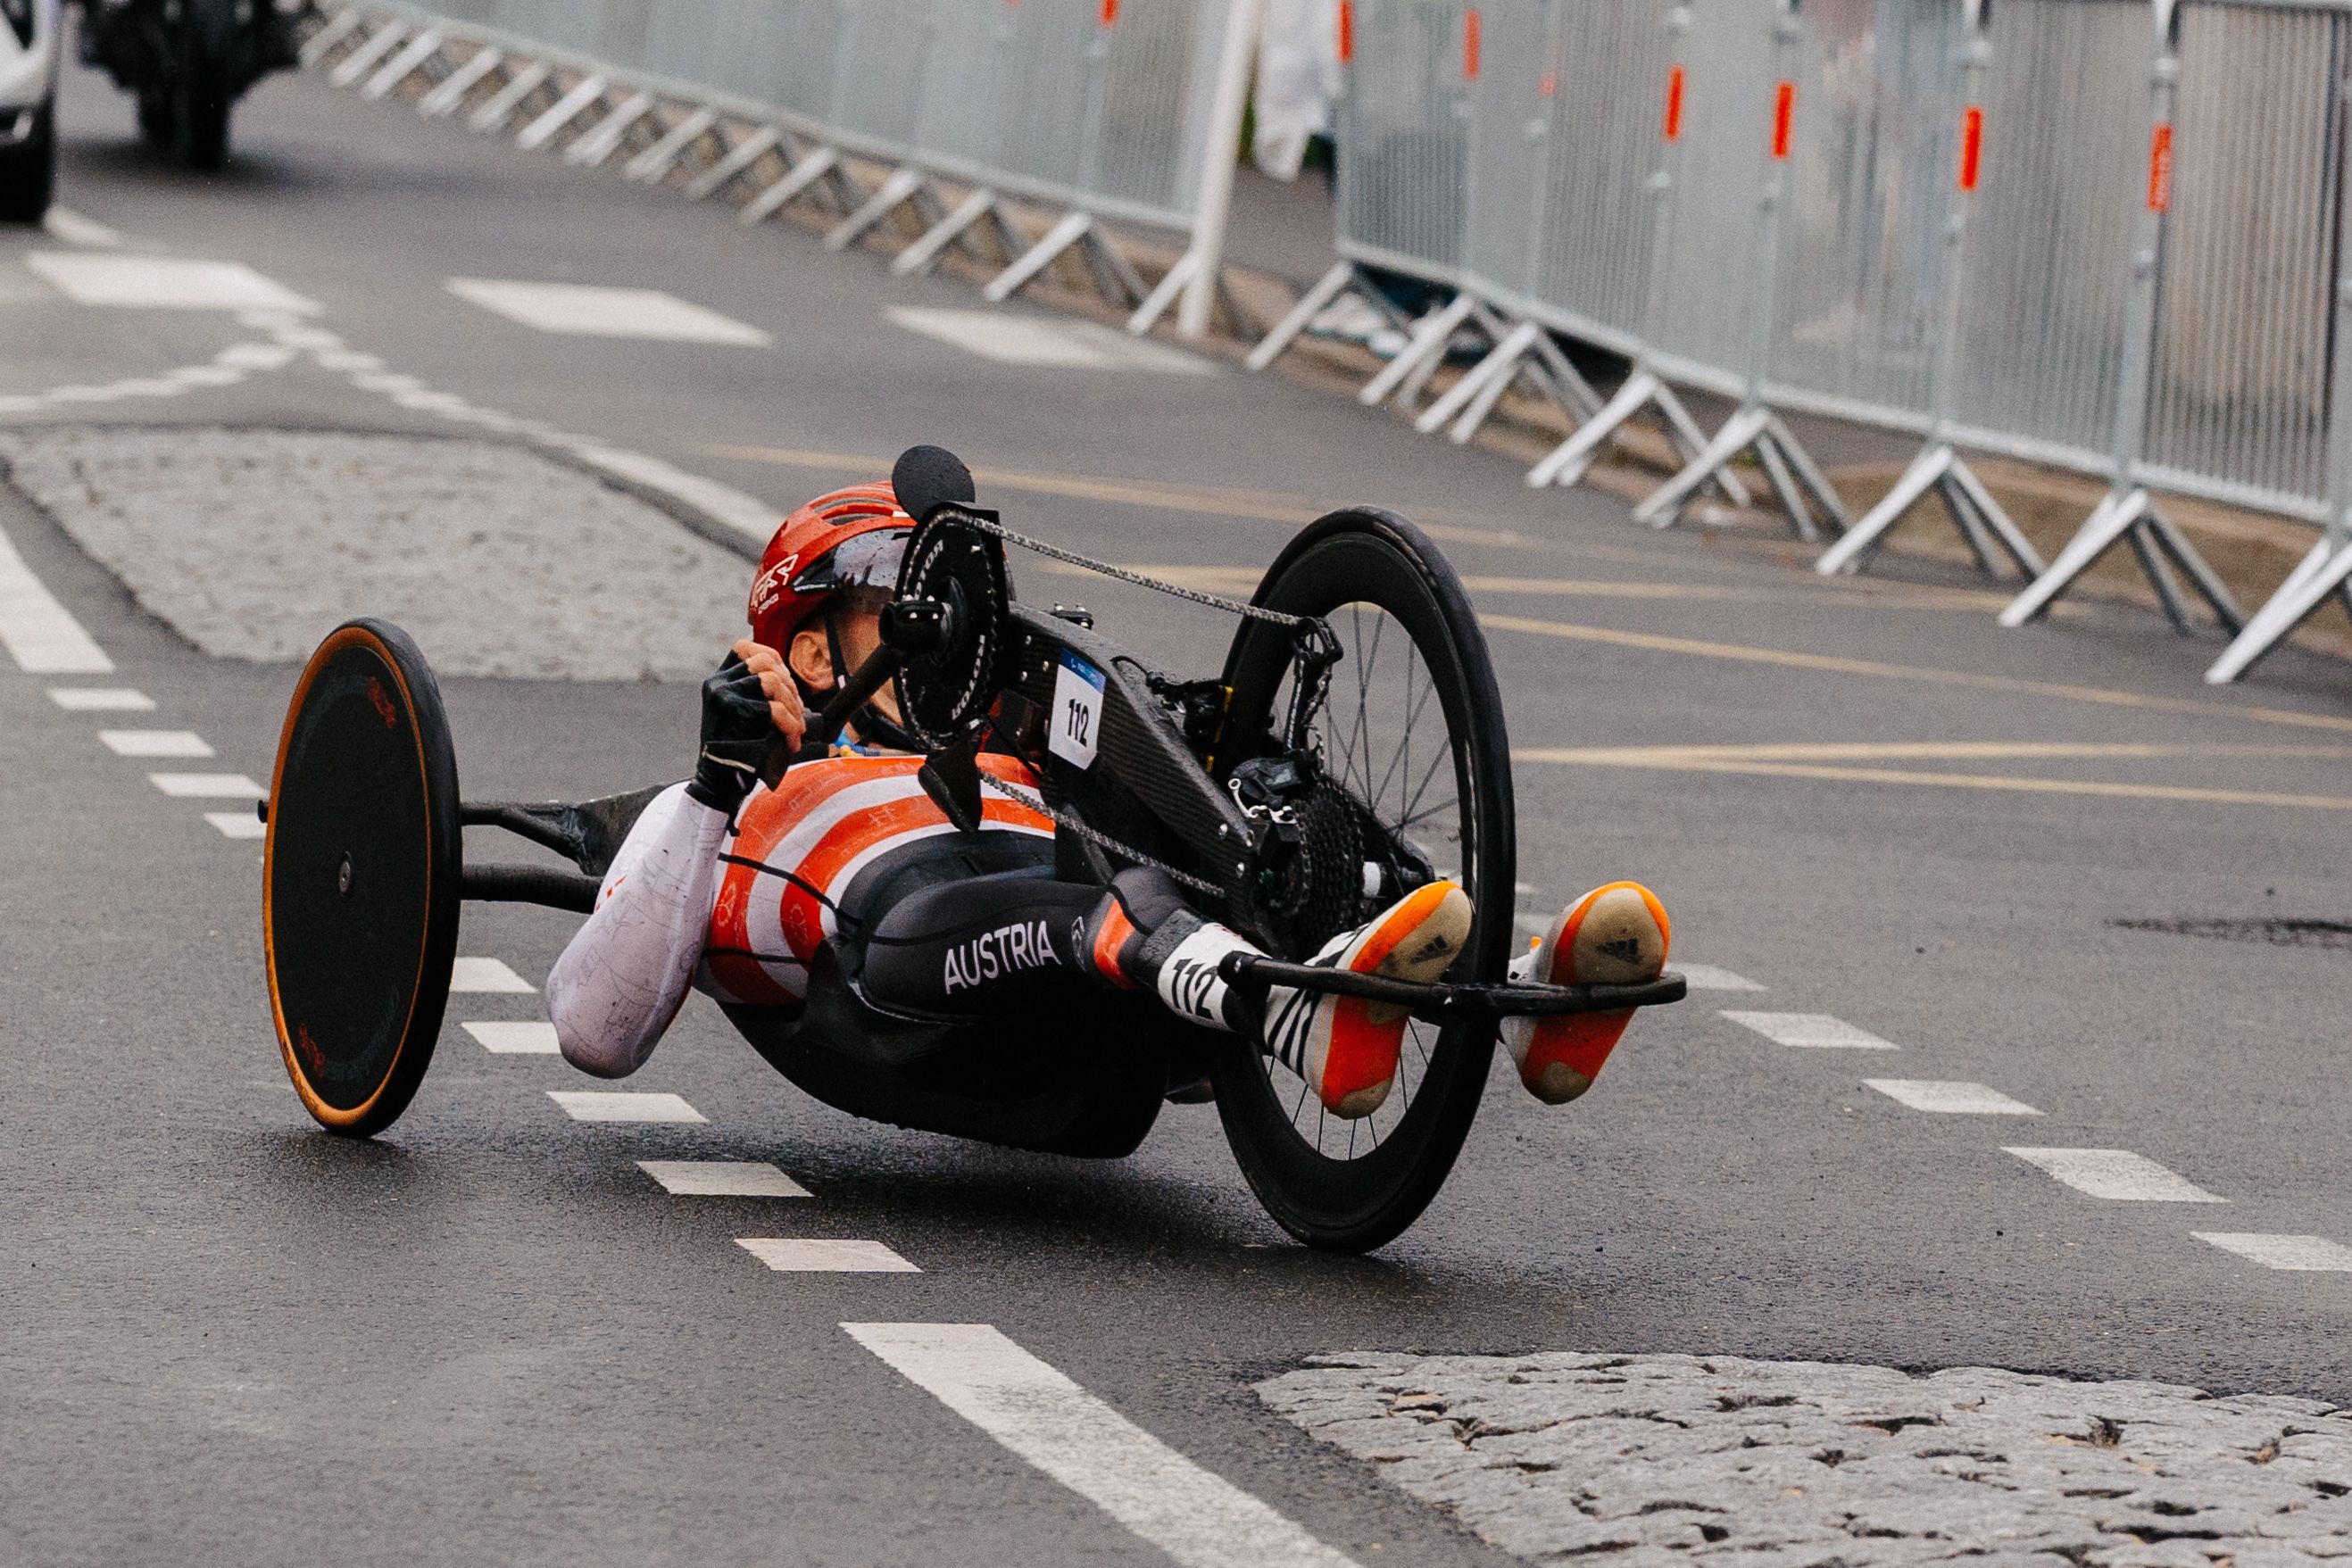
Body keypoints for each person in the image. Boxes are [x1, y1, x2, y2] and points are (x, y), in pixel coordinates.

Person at [545, 481, 1672, 1118]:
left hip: (1091, 986)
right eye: (894, 607)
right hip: (893, 962)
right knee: (1088, 905)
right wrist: (711, 784)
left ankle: (1522, 993)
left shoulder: (1004, 757)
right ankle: (1287, 1011)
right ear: (809, 648)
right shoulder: (730, 795)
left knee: (1223, 819)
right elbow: (594, 1031)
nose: (934, 632)